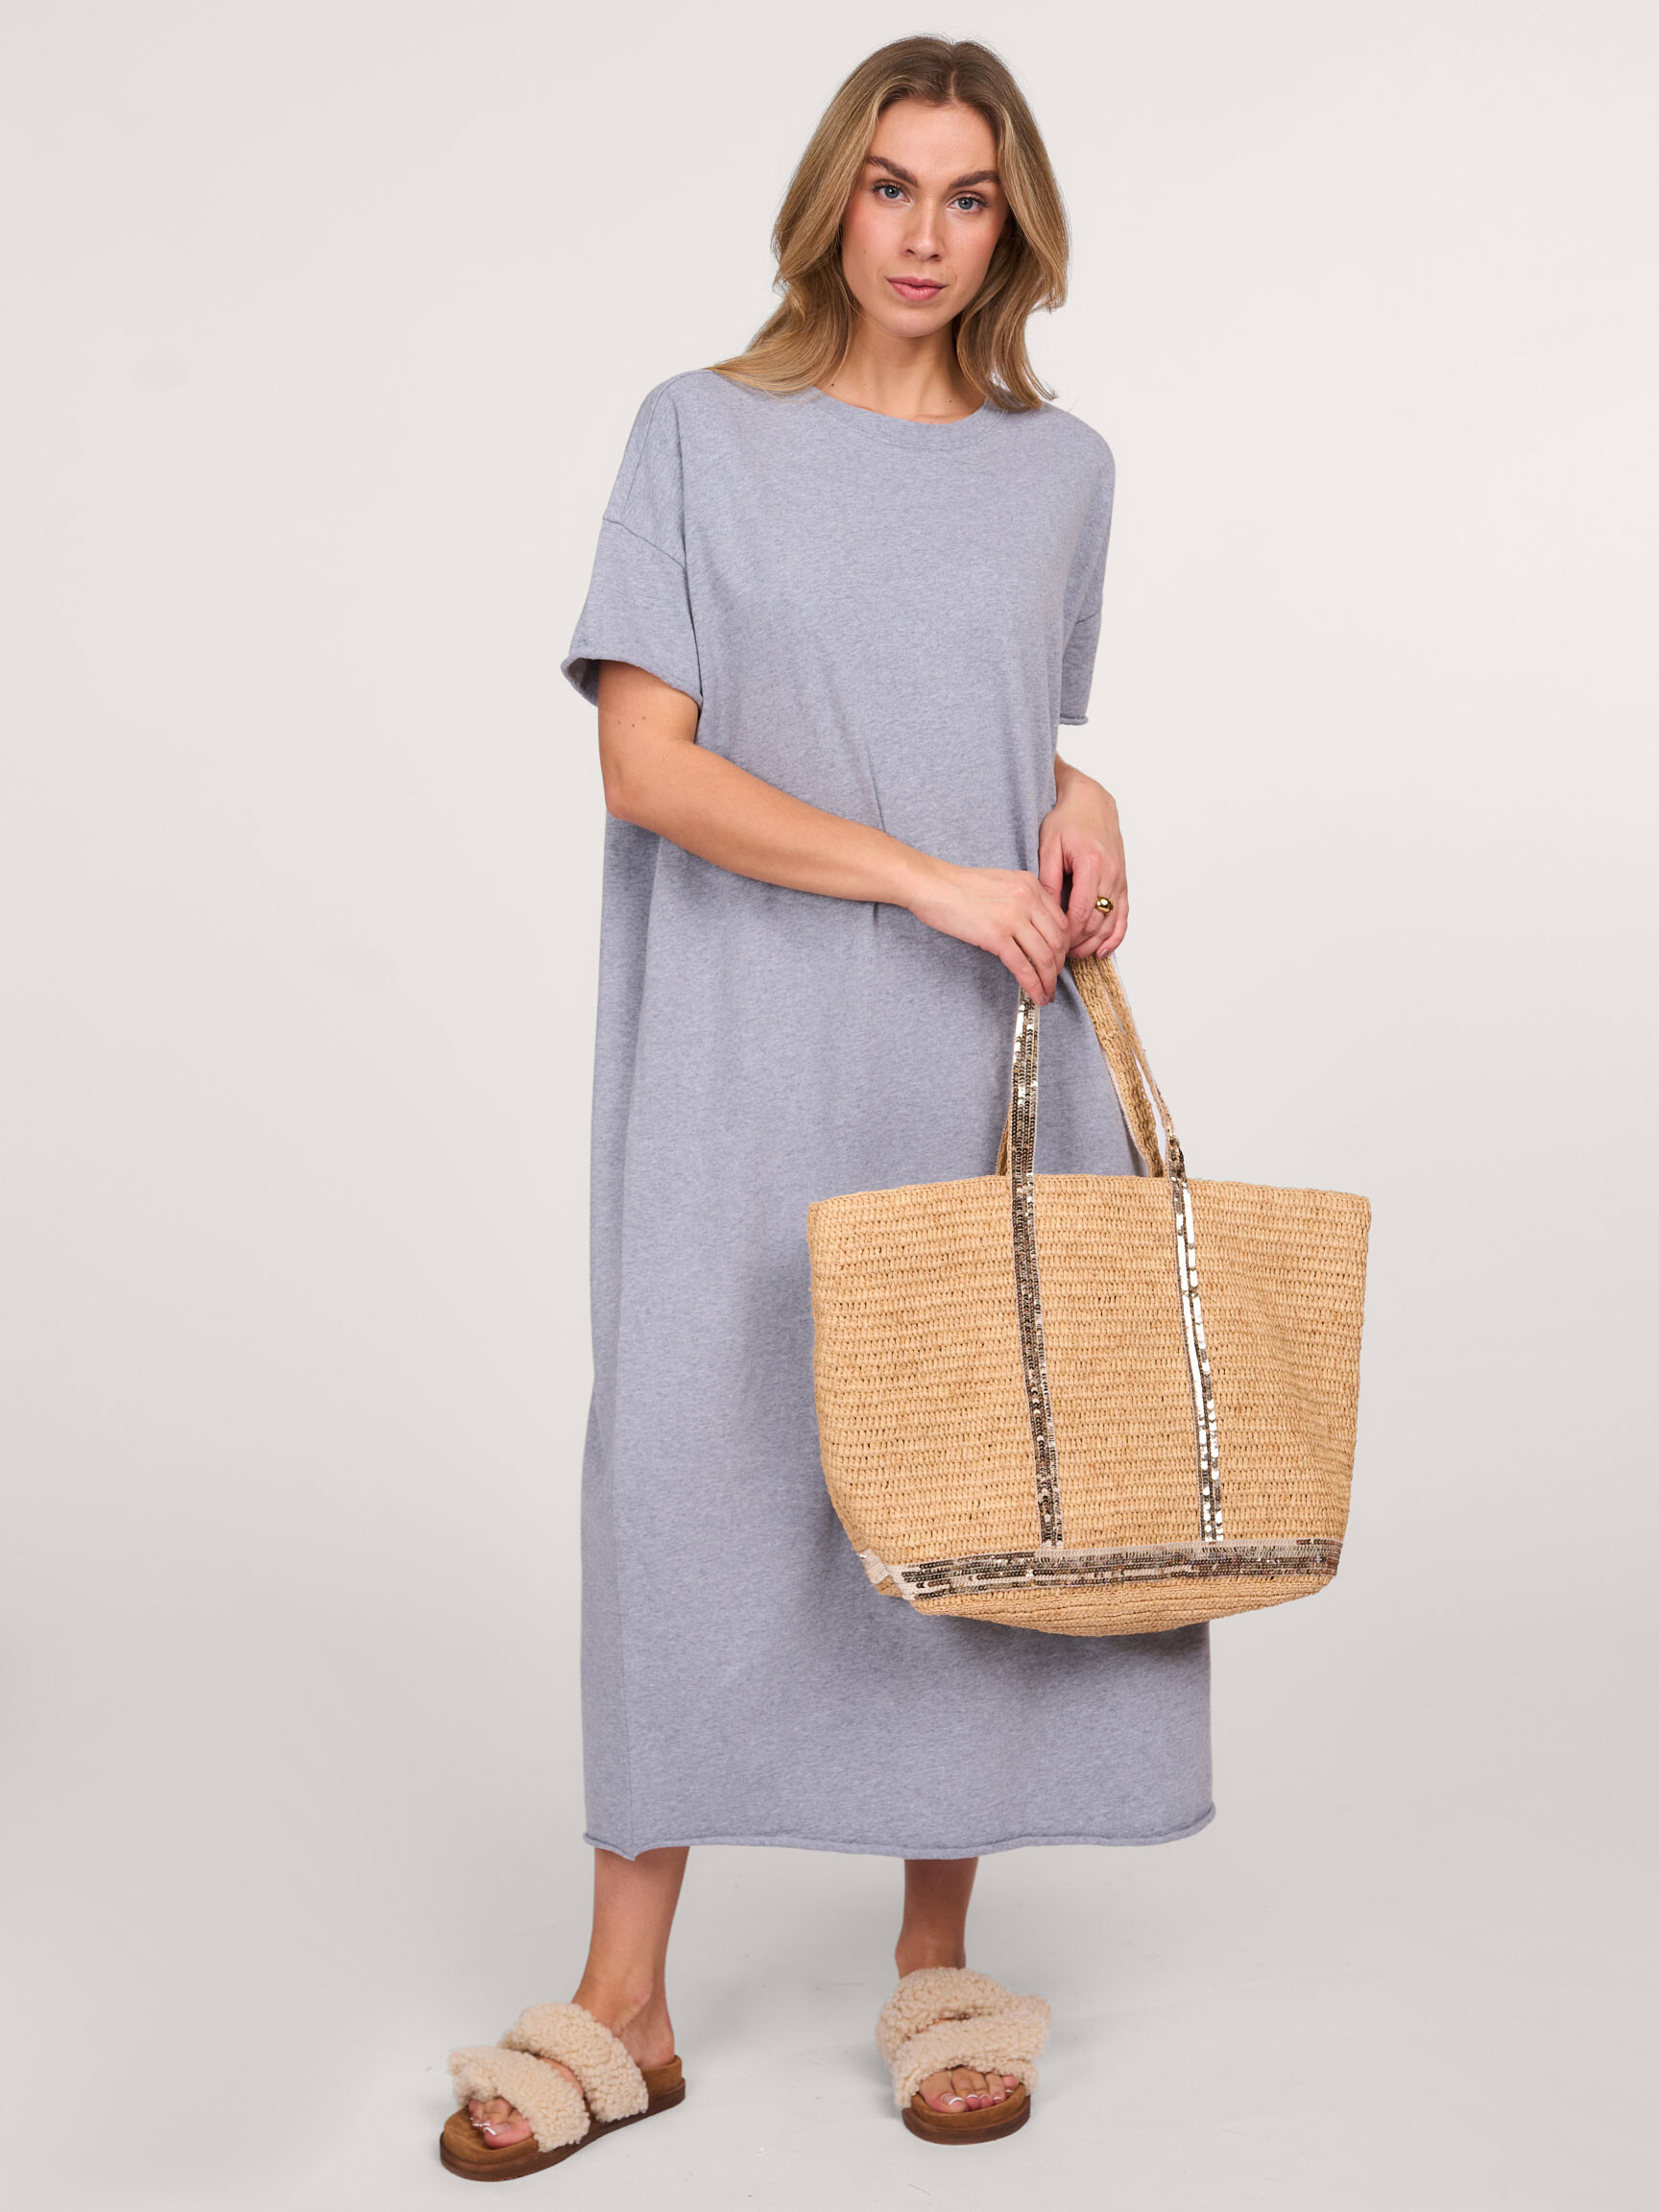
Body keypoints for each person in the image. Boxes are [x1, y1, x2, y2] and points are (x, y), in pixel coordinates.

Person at [438, 36, 1213, 2181]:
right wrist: (925, 876)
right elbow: (649, 764)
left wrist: (1076, 795)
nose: (924, 236)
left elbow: (977, 713)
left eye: (967, 196)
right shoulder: (698, 433)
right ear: (831, 200)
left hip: (976, 1048)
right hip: (740, 1046)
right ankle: (624, 1998)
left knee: (964, 1485)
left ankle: (939, 1966)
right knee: (686, 1464)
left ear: (1013, 226)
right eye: (891, 186)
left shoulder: (1064, 473)